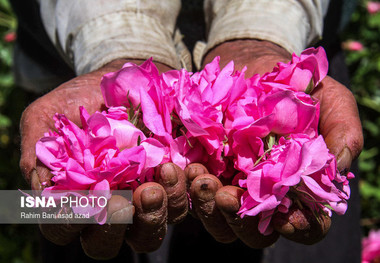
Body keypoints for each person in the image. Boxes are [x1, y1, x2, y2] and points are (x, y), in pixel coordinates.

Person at [11, 0, 363, 262]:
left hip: (292, 37)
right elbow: (23, 206)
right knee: (58, 215)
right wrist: (116, 38)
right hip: (73, 62)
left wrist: (257, 35)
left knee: (310, 237)